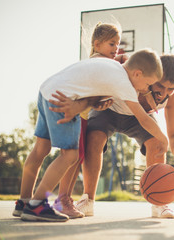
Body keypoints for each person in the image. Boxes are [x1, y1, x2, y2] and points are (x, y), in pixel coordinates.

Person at [16, 48, 167, 222]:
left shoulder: (111, 65)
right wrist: (164, 139)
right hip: (63, 100)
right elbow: (143, 118)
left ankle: (23, 202)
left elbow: (88, 83)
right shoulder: (124, 82)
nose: (146, 89)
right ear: (137, 74)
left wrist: (96, 102)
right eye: (148, 84)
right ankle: (37, 205)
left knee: (41, 148)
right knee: (70, 155)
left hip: (47, 91)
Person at [50, 54, 174, 219]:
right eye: (160, 85)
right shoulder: (138, 72)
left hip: (138, 117)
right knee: (94, 139)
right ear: (154, 75)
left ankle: (159, 203)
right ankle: (88, 199)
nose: (163, 92)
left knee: (158, 143)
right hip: (109, 110)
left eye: (171, 88)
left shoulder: (173, 98)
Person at [52, 22, 127, 219]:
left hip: (80, 115)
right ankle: (62, 199)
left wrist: (98, 103)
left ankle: (63, 199)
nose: (116, 48)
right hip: (75, 116)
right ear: (96, 44)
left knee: (76, 157)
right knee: (72, 158)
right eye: (112, 44)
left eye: (117, 44)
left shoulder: (96, 62)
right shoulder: (100, 63)